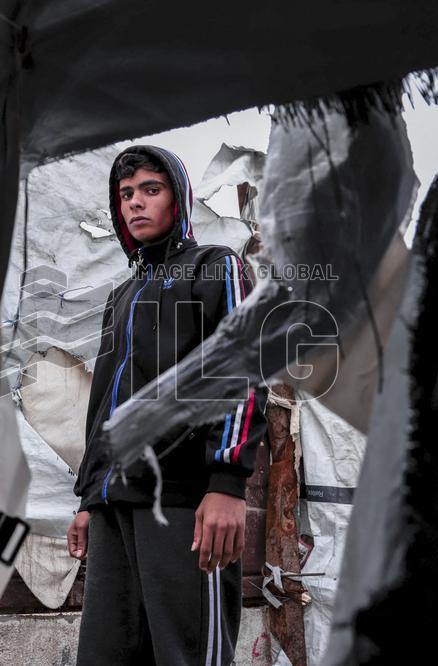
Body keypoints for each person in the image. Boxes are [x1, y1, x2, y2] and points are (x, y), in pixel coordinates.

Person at [68, 145, 268, 665]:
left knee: (183, 654)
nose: (135, 203)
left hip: (182, 502)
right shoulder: (123, 295)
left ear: (178, 198)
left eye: (150, 190)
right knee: (107, 655)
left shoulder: (214, 267)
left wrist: (226, 484)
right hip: (116, 508)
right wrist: (91, 498)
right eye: (126, 194)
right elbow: (105, 406)